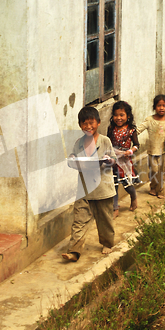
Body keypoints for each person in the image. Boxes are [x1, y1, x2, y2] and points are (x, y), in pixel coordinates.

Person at [62, 106, 116, 262]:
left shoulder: (105, 140)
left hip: (103, 188)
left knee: (105, 220)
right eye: (84, 124)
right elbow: (73, 160)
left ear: (98, 123)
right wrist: (72, 159)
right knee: (79, 221)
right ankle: (74, 251)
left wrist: (108, 160)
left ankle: (107, 243)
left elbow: (113, 160)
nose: (88, 127)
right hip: (84, 189)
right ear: (80, 125)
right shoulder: (78, 143)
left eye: (91, 123)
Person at [137, 95, 165, 198]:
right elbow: (139, 129)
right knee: (154, 170)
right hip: (153, 150)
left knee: (163, 170)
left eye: (164, 105)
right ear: (154, 107)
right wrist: (130, 134)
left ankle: (161, 190)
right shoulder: (149, 120)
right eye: (159, 105)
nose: (161, 108)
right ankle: (153, 186)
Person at [107, 101, 140, 218]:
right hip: (113, 161)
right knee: (113, 185)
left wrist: (130, 151)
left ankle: (133, 195)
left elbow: (137, 145)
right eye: (116, 115)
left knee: (127, 184)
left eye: (122, 115)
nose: (118, 118)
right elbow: (108, 143)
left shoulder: (131, 130)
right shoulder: (111, 129)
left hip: (125, 161)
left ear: (128, 116)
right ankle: (115, 208)